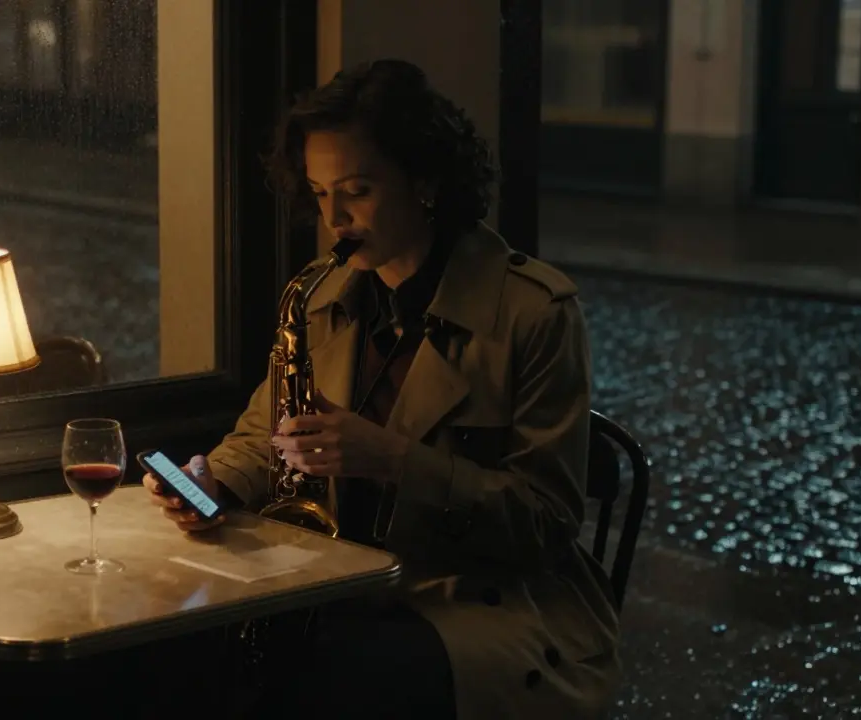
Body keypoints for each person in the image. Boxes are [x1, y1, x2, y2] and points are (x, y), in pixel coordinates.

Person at [142, 58, 620, 719]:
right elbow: (264, 438)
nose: (334, 217)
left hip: (476, 608)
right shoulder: (321, 295)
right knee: (180, 647)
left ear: (425, 180)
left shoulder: (535, 312)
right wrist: (211, 484)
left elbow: (547, 525)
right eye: (319, 193)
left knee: (320, 680)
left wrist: (395, 460)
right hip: (343, 584)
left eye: (357, 190)